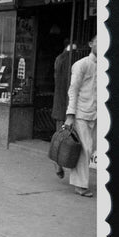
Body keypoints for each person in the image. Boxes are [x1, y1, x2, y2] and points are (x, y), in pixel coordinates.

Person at [64, 35, 97, 197]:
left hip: (97, 114)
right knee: (85, 148)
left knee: (92, 148)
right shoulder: (81, 64)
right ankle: (80, 185)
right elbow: (73, 90)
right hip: (81, 113)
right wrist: (70, 115)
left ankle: (61, 162)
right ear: (91, 44)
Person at [51, 39, 73, 178]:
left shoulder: (59, 59)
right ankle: (59, 162)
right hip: (67, 105)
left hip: (61, 104)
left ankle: (58, 163)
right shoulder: (69, 60)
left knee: (60, 136)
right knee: (66, 137)